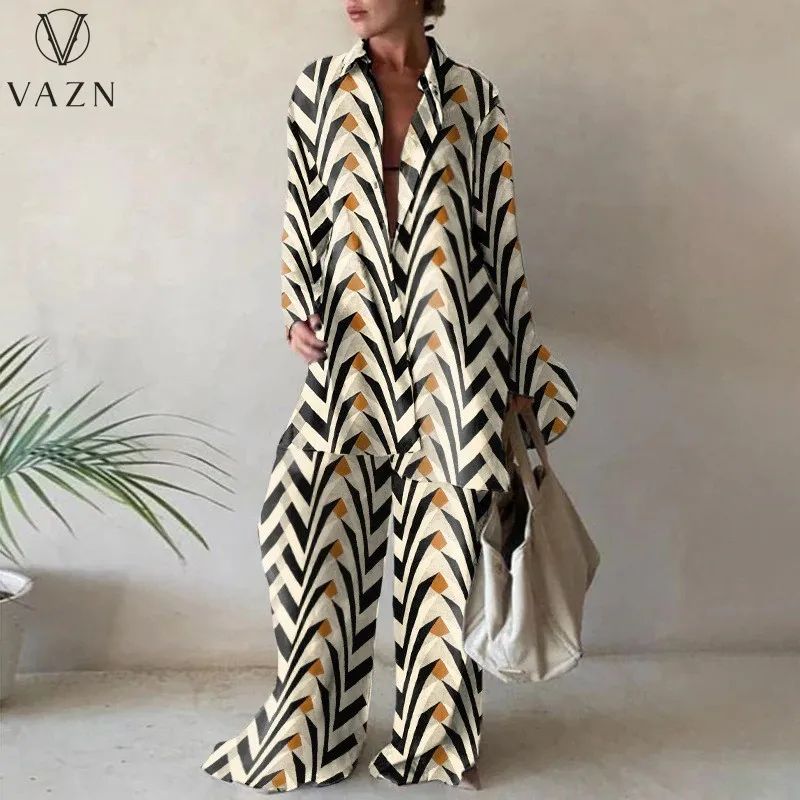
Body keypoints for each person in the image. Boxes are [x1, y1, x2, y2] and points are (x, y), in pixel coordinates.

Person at [202, 0, 579, 792]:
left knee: (447, 544)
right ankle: (310, 730)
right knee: (312, 522)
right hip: (353, 344)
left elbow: (498, 237)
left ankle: (436, 741)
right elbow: (302, 209)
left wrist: (520, 370)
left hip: (455, 345)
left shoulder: (473, 96)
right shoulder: (319, 88)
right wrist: (297, 309)